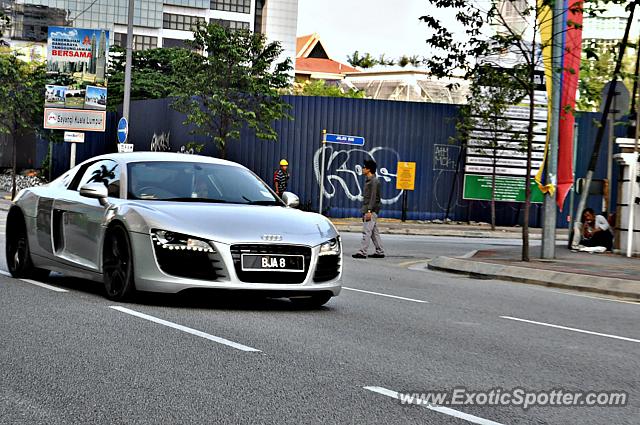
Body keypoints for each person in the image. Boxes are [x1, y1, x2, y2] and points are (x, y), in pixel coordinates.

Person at [353, 159, 385, 259]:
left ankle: (362, 252)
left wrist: (369, 211)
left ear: (369, 169)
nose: (362, 169)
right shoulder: (369, 180)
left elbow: (373, 197)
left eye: (364, 167)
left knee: (366, 231)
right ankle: (380, 251)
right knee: (374, 233)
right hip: (368, 209)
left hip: (371, 210)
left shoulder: (374, 181)